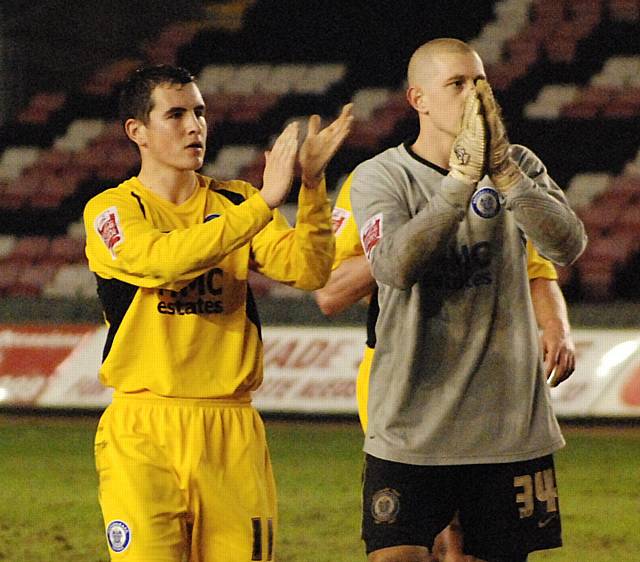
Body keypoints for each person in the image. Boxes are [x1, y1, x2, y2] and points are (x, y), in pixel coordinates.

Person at [83, 64, 352, 562]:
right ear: (136, 131)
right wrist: (266, 203)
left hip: (230, 429)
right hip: (143, 430)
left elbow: (309, 271)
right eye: (177, 114)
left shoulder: (234, 200)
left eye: (200, 113)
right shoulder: (111, 210)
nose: (195, 126)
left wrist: (311, 187)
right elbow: (160, 263)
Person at [348, 39, 587, 562]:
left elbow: (567, 246)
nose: (475, 94)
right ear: (419, 99)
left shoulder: (519, 165)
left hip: (506, 431)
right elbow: (393, 266)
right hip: (411, 426)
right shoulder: (379, 177)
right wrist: (460, 181)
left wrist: (502, 171)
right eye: (457, 84)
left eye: (480, 82)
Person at [314, 174, 576, 562]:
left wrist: (557, 327)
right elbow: (330, 292)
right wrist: (417, 240)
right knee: (411, 538)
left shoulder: (505, 175)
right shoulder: (379, 178)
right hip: (402, 381)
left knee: (470, 538)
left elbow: (538, 271)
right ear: (419, 107)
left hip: (490, 381)